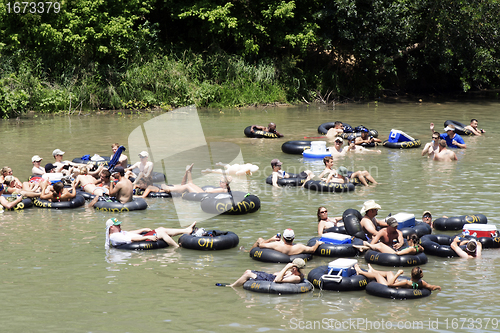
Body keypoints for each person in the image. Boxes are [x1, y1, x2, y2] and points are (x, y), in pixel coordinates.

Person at [105, 217, 197, 249]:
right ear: (111, 227)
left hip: (141, 237)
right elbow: (132, 239)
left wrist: (142, 229)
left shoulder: (119, 232)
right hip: (140, 241)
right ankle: (177, 247)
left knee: (161, 228)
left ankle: (186, 230)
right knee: (161, 233)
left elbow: (129, 233)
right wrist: (146, 238)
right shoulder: (114, 237)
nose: (120, 226)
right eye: (117, 225)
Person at [220, 258, 306, 287]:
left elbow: (277, 280)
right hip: (270, 276)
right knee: (248, 270)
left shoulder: (296, 277)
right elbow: (277, 274)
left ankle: (232, 286)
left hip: (271, 281)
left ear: (295, 268)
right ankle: (236, 284)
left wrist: (286, 267)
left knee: (248, 274)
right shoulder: (294, 273)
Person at [355, 264, 441, 291]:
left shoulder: (406, 282)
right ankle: (373, 270)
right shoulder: (421, 283)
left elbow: (389, 284)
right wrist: (437, 287)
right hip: (397, 285)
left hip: (389, 287)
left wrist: (398, 274)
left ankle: (361, 271)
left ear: (411, 274)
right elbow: (431, 287)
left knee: (378, 276)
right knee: (389, 272)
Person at [250, 228, 323, 255]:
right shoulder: (300, 247)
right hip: (290, 249)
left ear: (284, 238)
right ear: (293, 238)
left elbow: (261, 245)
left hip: (281, 249)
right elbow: (313, 250)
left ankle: (248, 251)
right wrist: (317, 243)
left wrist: (271, 239)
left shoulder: (276, 245)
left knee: (260, 239)